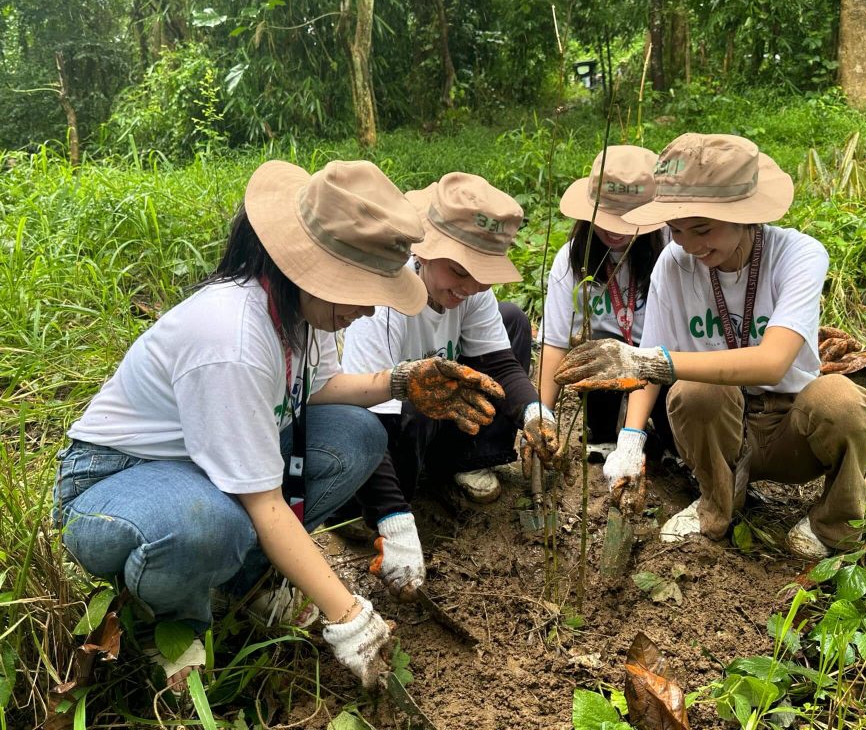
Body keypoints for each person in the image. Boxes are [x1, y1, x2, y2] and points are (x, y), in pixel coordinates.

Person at [53, 160, 504, 694]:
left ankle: (246, 580)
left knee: (359, 435)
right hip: (117, 482)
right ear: (316, 270)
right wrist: (348, 614)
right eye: (362, 291)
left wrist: (401, 381)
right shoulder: (233, 338)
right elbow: (264, 501)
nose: (367, 310)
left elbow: (318, 390)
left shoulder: (298, 312)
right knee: (211, 525)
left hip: (204, 465)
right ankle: (175, 620)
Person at [554, 133, 866, 559]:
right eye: (676, 229)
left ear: (744, 215)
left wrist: (655, 360)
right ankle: (717, 502)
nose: (688, 244)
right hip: (722, 430)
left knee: (843, 403)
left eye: (702, 229)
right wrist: (630, 439)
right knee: (693, 391)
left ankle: (834, 522)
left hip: (790, 427)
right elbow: (650, 362)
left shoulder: (799, 255)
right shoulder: (674, 263)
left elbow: (772, 362)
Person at [341, 172, 559, 598]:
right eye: (459, 270)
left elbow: (500, 364)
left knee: (512, 321)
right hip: (388, 432)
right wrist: (393, 518)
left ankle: (462, 460)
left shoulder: (472, 291)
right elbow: (368, 422)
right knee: (415, 402)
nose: (470, 286)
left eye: (482, 275)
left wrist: (535, 413)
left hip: (438, 419)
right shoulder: (383, 302)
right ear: (424, 251)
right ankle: (375, 508)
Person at [537, 145, 669, 458]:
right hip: (604, 374)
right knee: (598, 351)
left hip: (660, 364)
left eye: (627, 219)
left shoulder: (671, 254)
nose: (613, 229)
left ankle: (658, 435)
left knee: (670, 427)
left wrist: (633, 436)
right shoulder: (572, 258)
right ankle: (603, 432)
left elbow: (664, 350)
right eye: (606, 216)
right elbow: (555, 341)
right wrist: (542, 415)